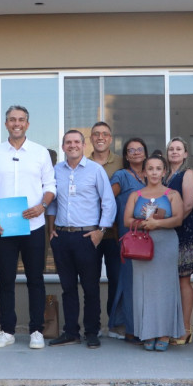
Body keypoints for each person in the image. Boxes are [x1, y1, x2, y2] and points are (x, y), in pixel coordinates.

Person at [0, 105, 56, 349]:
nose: (17, 123)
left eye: (21, 120)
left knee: (35, 278)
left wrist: (42, 206)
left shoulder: (40, 152)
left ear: (27, 123)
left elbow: (51, 185)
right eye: (12, 120)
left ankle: (37, 330)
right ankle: (6, 330)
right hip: (4, 227)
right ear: (6, 124)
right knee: (6, 280)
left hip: (33, 225)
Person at [46, 130, 116, 349]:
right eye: (68, 142)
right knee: (67, 288)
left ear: (84, 145)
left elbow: (108, 202)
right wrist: (51, 228)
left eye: (76, 142)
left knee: (90, 288)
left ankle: (92, 331)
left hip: (87, 237)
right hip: (62, 236)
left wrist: (101, 231)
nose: (72, 145)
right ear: (63, 146)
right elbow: (53, 202)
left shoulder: (95, 170)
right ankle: (70, 331)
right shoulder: (56, 170)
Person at [123, 152, 185, 351]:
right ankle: (147, 332)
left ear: (164, 171)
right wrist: (143, 223)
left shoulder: (172, 194)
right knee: (144, 289)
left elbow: (178, 219)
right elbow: (126, 221)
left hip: (166, 243)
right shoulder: (135, 195)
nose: (155, 172)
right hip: (141, 244)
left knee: (166, 288)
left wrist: (157, 223)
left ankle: (165, 333)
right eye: (151, 168)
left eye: (158, 168)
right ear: (145, 172)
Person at [165, 137, 193, 346]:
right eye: (171, 149)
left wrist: (168, 223)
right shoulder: (164, 174)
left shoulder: (188, 173)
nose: (174, 152)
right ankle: (171, 326)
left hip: (185, 229)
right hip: (167, 230)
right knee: (170, 280)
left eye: (178, 149)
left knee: (183, 280)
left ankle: (185, 329)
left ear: (185, 154)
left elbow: (188, 204)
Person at [108, 137, 148, 342]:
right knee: (130, 282)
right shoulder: (121, 176)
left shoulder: (152, 175)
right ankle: (130, 328)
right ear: (125, 156)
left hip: (152, 236)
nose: (135, 153)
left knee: (147, 284)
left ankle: (148, 327)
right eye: (130, 150)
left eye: (139, 149)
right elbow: (107, 201)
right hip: (129, 237)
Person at [88, 121, 123, 336]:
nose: (101, 137)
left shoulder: (121, 162)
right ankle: (93, 326)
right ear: (91, 139)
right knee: (90, 280)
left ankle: (115, 324)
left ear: (110, 138)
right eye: (96, 134)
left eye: (105, 134)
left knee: (116, 279)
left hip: (116, 232)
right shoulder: (81, 162)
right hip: (89, 231)